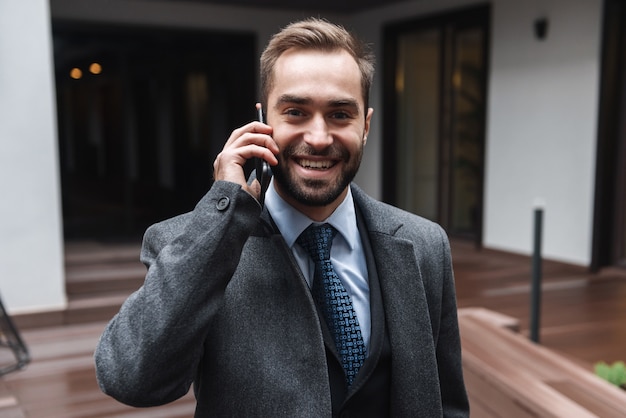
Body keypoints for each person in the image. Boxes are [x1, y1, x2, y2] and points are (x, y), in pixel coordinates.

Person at [95, 17, 469, 417]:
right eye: (295, 112)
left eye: (340, 114)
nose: (319, 138)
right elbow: (130, 377)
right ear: (262, 121)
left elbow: (446, 405)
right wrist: (223, 210)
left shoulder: (424, 244)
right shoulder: (193, 242)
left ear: (366, 125)